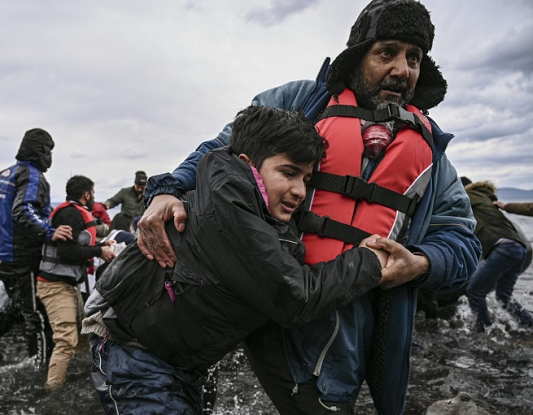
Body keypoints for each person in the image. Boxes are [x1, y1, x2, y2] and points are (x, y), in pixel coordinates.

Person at [136, 1, 482, 413]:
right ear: (358, 56)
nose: (402, 69)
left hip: (342, 334)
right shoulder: (299, 101)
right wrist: (167, 188)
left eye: (414, 58)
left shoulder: (432, 155)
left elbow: (462, 241)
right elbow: (219, 149)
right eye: (386, 52)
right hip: (259, 300)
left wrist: (422, 263)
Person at [83, 106, 389, 415]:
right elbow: (294, 296)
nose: (299, 191)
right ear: (248, 164)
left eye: (306, 179)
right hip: (130, 349)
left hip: (176, 360)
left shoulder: (257, 211)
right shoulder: (227, 206)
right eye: (288, 172)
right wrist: (369, 261)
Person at [0, 128, 73, 366]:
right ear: (42, 150)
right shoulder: (31, 175)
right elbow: (24, 209)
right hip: (20, 256)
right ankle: (40, 366)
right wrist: (50, 232)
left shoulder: (4, 174)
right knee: (36, 314)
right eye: (49, 151)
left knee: (19, 304)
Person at [37, 175, 118, 391]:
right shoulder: (71, 214)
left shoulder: (70, 212)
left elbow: (76, 244)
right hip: (54, 285)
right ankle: (52, 392)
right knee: (65, 339)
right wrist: (100, 250)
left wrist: (102, 243)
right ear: (87, 194)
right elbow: (66, 252)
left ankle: (84, 378)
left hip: (68, 284)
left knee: (84, 335)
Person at [464, 180, 533, 332]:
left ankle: (483, 332)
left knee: (475, 291)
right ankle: (529, 325)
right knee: (503, 297)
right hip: (520, 249)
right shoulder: (489, 202)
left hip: (504, 248)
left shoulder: (467, 197)